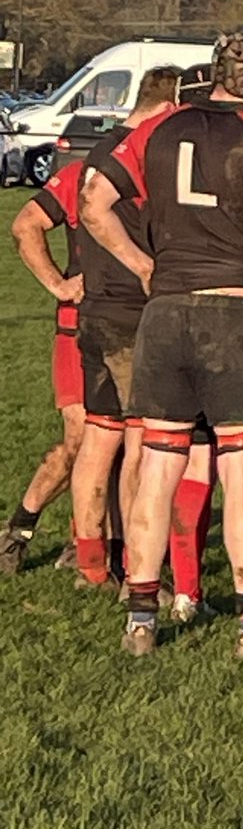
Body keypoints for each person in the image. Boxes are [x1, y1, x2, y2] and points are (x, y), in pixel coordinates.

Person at [82, 27, 243, 659]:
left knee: (159, 463)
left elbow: (94, 202)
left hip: (167, 309)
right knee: (241, 470)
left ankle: (142, 620)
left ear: (214, 68)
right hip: (236, 314)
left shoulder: (157, 129)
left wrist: (142, 263)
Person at [69, 67, 180, 591]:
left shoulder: (97, 152)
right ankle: (140, 557)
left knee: (98, 436)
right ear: (164, 107)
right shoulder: (143, 154)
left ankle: (91, 562)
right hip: (133, 312)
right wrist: (143, 265)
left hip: (93, 309)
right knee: (141, 441)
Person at [0, 163, 85, 574]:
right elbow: (26, 224)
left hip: (147, 325)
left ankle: (85, 542)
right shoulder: (84, 174)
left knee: (128, 446)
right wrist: (60, 285)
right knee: (82, 438)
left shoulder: (165, 167)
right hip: (81, 328)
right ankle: (19, 529)